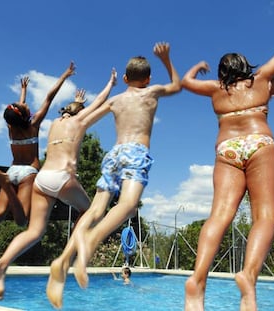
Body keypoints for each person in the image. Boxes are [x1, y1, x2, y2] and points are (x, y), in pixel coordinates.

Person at [47, 42, 181, 309]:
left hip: (114, 154)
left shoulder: (116, 100)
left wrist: (68, 125)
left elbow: (84, 121)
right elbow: (177, 85)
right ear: (148, 79)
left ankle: (63, 260)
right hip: (136, 153)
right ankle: (91, 241)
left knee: (95, 210)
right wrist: (166, 59)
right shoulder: (152, 92)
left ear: (126, 78)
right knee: (128, 205)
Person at [0, 68, 117, 299]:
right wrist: (111, 83)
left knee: (35, 231)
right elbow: (100, 101)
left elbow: (53, 108)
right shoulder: (79, 122)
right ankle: (68, 257)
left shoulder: (53, 123)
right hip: (62, 177)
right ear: (80, 113)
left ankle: (1, 264)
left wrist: (75, 103)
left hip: (42, 179)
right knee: (90, 210)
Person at [181, 50, 274, 311]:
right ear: (246, 66)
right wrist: (273, 79)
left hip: (227, 146)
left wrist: (197, 64)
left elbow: (186, 82)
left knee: (218, 215)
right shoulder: (261, 77)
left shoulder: (215, 89)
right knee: (265, 216)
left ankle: (197, 279)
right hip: (259, 141)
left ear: (222, 72)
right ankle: (248, 276)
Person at [0, 62, 75, 226]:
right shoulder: (33, 126)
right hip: (28, 173)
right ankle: (6, 186)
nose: (26, 104)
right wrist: (65, 75)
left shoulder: (11, 128)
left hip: (12, 170)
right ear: (25, 114)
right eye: (24, 105)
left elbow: (16, 113)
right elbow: (49, 97)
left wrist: (23, 91)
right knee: (22, 220)